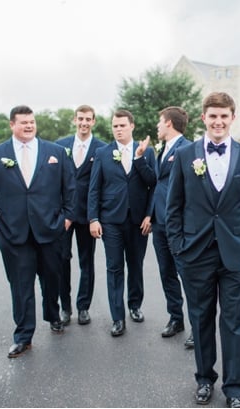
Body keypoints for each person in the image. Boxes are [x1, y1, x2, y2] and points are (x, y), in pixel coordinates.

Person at [166, 92, 240, 408]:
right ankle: (205, 379)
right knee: (201, 319)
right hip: (195, 252)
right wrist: (178, 247)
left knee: (233, 321)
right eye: (213, 116)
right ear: (204, 118)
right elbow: (174, 207)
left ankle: (235, 390)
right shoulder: (184, 156)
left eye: (224, 116)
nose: (218, 122)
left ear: (232, 118)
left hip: (235, 252)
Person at [0, 105, 76, 358]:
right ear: (12, 124)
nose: (29, 126)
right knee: (20, 285)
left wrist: (66, 219)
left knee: (51, 278)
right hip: (13, 232)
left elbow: (71, 188)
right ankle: (23, 335)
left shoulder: (55, 152)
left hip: (51, 228)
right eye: (23, 122)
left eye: (32, 122)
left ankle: (53, 314)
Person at [88, 109, 156, 337]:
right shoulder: (102, 153)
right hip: (111, 220)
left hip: (139, 221)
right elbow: (94, 188)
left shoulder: (147, 152)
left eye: (122, 126)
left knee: (135, 265)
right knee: (114, 267)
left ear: (132, 126)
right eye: (115, 126)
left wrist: (150, 215)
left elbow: (153, 184)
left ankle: (134, 305)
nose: (118, 129)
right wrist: (94, 218)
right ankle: (117, 317)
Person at [55, 105, 106, 325]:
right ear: (74, 120)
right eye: (80, 119)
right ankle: (65, 307)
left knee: (87, 261)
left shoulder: (102, 149)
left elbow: (102, 184)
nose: (84, 123)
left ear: (93, 122)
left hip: (88, 214)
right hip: (64, 214)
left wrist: (97, 216)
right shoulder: (59, 145)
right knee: (62, 260)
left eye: (88, 119)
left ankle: (83, 306)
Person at [149, 107, 192, 340]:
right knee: (167, 273)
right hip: (159, 222)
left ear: (168, 123)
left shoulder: (188, 149)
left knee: (187, 275)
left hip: (180, 225)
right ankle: (176, 318)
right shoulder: (162, 149)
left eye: (159, 121)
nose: (157, 126)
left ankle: (198, 327)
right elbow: (158, 184)